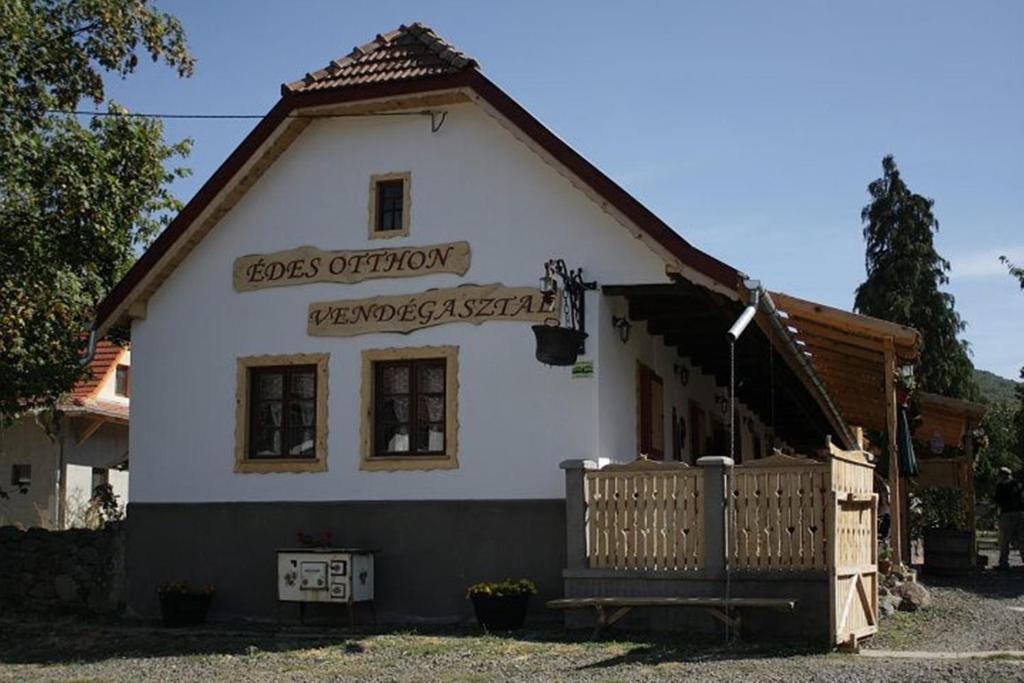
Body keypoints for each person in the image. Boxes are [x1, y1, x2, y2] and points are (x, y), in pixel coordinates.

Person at [995, 467, 1024, 569]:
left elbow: (997, 500)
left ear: (1001, 475)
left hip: (1007, 514)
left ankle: (1003, 563)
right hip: (1020, 513)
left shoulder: (1001, 485)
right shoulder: (1018, 484)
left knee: (1005, 539)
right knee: (1022, 539)